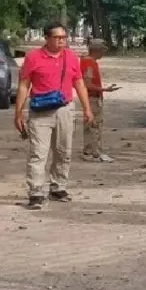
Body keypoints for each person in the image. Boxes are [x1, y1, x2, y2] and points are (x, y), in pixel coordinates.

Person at [14, 23, 93, 210]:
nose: (61, 41)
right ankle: (35, 193)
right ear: (47, 38)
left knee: (64, 151)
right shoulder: (33, 57)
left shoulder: (71, 58)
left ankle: (58, 187)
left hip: (65, 109)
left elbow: (79, 83)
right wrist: (18, 112)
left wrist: (87, 108)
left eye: (64, 37)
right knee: (38, 153)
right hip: (40, 111)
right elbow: (24, 84)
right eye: (57, 38)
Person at [80, 39, 119, 162]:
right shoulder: (89, 63)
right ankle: (95, 153)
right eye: (102, 50)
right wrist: (105, 89)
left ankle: (88, 151)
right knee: (95, 125)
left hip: (89, 97)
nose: (103, 53)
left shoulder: (87, 61)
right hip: (92, 98)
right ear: (96, 50)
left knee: (89, 125)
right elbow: (88, 84)